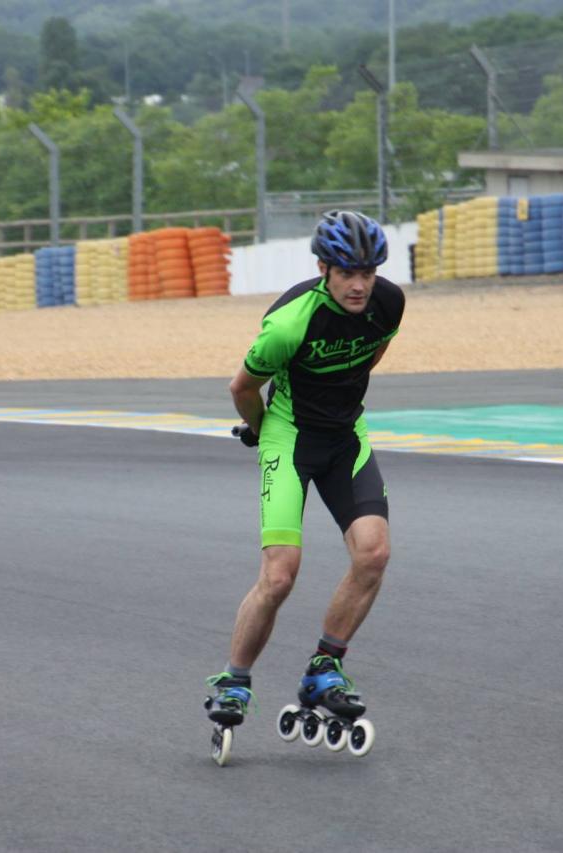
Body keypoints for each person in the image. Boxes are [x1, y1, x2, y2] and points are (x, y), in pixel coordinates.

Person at [204, 210, 404, 747]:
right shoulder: (289, 323)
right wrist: (259, 431)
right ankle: (235, 680)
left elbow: (371, 356)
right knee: (280, 575)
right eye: (346, 272)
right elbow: (242, 388)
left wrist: (340, 406)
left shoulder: (389, 303)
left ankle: (325, 666)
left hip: (345, 438)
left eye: (368, 271)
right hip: (288, 438)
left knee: (373, 553)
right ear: (323, 268)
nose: (360, 284)